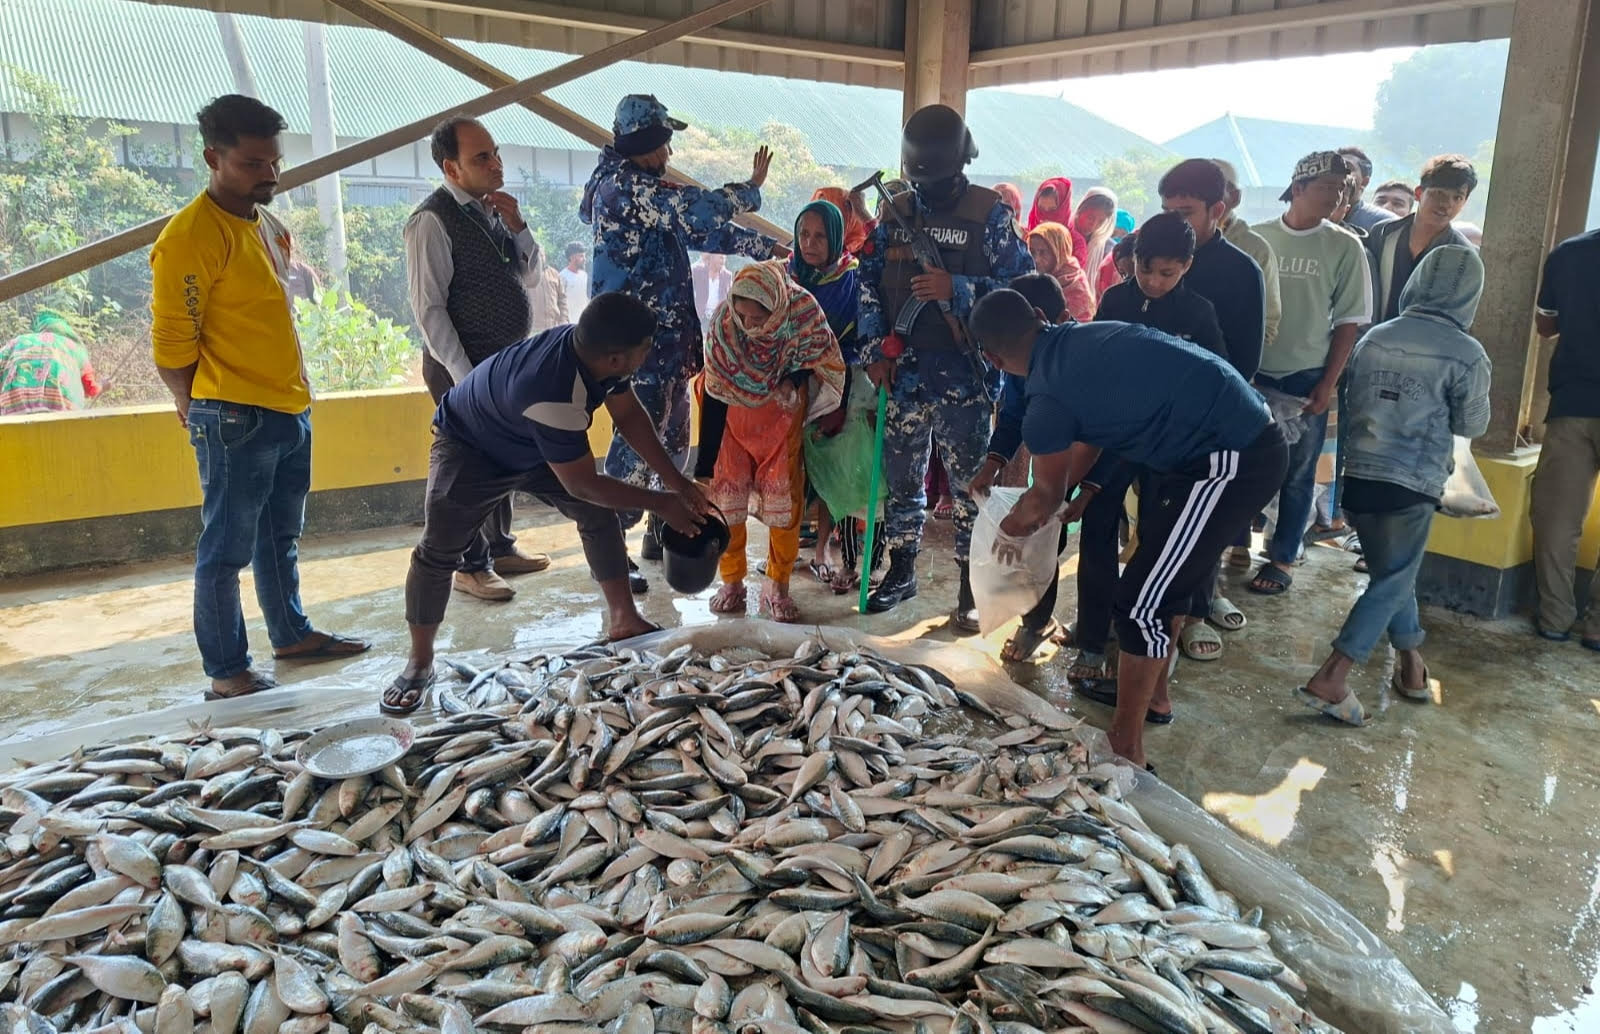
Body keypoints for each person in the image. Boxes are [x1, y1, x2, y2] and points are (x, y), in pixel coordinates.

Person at [969, 289, 1287, 769]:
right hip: (1220, 440)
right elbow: (1095, 431)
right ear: (1039, 314)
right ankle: (1154, 697)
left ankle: (1125, 750)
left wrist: (1008, 531)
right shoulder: (1081, 338)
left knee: (1141, 602)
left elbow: (1044, 496)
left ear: (992, 358)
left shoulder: (1046, 399)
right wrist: (1076, 493)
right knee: (1164, 578)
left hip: (1230, 456)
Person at [383, 294, 712, 713]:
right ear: (616, 357)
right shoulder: (553, 388)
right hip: (471, 444)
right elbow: (582, 484)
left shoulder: (597, 357)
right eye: (644, 348)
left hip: (530, 441)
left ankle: (624, 619)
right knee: (438, 551)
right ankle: (419, 661)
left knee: (598, 513)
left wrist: (676, 483)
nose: (649, 353)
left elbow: (628, 416)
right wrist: (661, 503)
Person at [150, 94, 369, 701]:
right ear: (212, 158)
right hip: (233, 414)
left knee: (281, 535)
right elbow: (172, 342)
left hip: (287, 407)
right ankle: (227, 673)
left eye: (273, 161)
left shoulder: (268, 222)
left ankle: (291, 634)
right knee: (226, 550)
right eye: (252, 164)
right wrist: (190, 405)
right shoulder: (189, 237)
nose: (269, 174)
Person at [581, 94, 779, 584]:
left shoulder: (644, 187)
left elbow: (704, 235)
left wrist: (767, 249)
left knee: (671, 440)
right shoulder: (622, 189)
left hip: (666, 344)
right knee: (635, 447)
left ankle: (659, 525)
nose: (668, 155)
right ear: (644, 143)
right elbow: (699, 211)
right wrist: (749, 191)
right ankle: (610, 547)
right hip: (633, 351)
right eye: (662, 144)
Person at [856, 103, 1034, 626]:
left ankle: (968, 583)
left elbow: (1022, 292)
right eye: (921, 181)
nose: (929, 190)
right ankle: (901, 567)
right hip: (902, 369)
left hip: (965, 373)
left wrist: (956, 289)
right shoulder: (896, 213)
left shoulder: (991, 216)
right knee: (901, 477)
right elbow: (866, 282)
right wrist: (873, 352)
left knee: (968, 484)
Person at [1298, 246, 1490, 723]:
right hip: (1413, 483)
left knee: (1392, 574)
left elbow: (1352, 393)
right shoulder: (1467, 352)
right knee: (1394, 578)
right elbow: (1474, 423)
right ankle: (1333, 674)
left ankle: (1411, 665)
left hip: (1359, 480)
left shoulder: (1374, 337)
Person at [405, 116, 551, 604]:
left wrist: (519, 226)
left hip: (501, 366)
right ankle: (469, 565)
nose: (495, 164)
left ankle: (501, 546)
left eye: (495, 153)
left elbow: (531, 277)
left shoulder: (492, 211)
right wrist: (467, 381)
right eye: (481, 157)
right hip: (461, 368)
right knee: (467, 462)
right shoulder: (432, 220)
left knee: (502, 450)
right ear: (450, 167)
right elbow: (430, 311)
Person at [1249, 152, 1374, 597]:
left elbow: (1349, 321)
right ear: (1298, 188)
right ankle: (1230, 545)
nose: (1339, 195)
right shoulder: (1257, 238)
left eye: (1344, 188)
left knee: (1299, 473)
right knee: (1240, 466)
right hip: (1252, 373)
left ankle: (1283, 556)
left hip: (1305, 375)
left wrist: (1328, 382)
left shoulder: (1344, 245)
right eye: (1328, 186)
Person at [694, 262, 846, 622]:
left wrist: (792, 380)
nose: (748, 326)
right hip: (730, 419)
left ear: (776, 309)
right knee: (725, 499)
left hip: (781, 415)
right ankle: (732, 581)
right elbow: (715, 397)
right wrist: (703, 469)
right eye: (741, 315)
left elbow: (816, 356)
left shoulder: (801, 311)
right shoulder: (723, 329)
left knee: (785, 506)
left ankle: (777, 584)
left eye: (757, 317)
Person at [972, 272, 1076, 663]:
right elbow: (1014, 413)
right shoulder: (1019, 354)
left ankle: (1099, 636)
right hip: (1053, 459)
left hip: (1100, 459)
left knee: (1096, 542)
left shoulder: (1072, 360)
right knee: (1045, 538)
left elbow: (1103, 439)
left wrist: (1089, 488)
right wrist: (992, 463)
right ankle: (1035, 621)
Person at [788, 198, 864, 590]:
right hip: (791, 386)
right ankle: (782, 554)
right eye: (803, 234)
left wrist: (837, 394)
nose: (809, 243)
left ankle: (823, 551)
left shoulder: (850, 281)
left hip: (835, 386)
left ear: (835, 237)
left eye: (819, 236)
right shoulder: (789, 274)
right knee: (789, 469)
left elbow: (854, 342)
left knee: (830, 469)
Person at [1532, 224, 1600, 648]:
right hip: (1574, 398)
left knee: (1558, 518)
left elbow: (1545, 324)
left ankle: (1555, 615)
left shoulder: (1570, 253)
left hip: (1573, 401)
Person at [1096, 213, 1226, 358]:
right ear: (1134, 257)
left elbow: (1216, 367)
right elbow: (1095, 348)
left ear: (1187, 265)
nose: (1153, 282)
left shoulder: (1198, 313)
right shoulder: (1113, 299)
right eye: (1145, 270)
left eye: (1166, 274)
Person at [1367, 156, 1478, 323]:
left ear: (1464, 202)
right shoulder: (1383, 233)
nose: (1446, 204)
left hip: (1428, 345)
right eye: (1439, 193)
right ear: (1419, 193)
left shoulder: (1463, 254)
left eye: (1457, 197)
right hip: (1372, 340)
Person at [1212, 158, 1282, 351]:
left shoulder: (1254, 250)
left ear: (1235, 197)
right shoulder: (1173, 239)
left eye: (1212, 189)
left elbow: (1267, 327)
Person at [0, 310, 101, 415]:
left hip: (13, 411)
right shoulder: (74, 348)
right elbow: (91, 388)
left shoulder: (18, 342)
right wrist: (103, 386)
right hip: (62, 413)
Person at [1026, 223, 1095, 323]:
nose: (1036, 259)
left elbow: (1080, 329)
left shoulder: (1075, 285)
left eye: (1043, 252)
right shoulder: (1034, 276)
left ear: (1059, 252)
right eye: (1032, 251)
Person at [1026, 177, 1091, 263]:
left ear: (1064, 210)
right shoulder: (1024, 236)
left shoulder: (1076, 244)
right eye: (1041, 209)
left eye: (1052, 210)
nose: (1045, 216)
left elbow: (1072, 274)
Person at [1335, 146, 1396, 232]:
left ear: (1364, 182)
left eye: (1347, 168)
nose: (1337, 173)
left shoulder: (1386, 224)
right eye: (1334, 168)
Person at [1074, 187, 1120, 290]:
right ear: (1080, 210)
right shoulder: (1062, 237)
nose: (1093, 225)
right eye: (1090, 217)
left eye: (1101, 221)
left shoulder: (1107, 249)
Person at [809, 186, 876, 257]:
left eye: (827, 214)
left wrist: (863, 213)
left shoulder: (852, 262)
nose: (816, 220)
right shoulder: (803, 250)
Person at [693, 253, 733, 324]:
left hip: (717, 318)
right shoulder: (697, 271)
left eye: (724, 257)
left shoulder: (727, 276)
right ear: (711, 256)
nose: (723, 258)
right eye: (720, 256)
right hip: (699, 316)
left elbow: (730, 298)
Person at [560, 242, 590, 314]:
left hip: (583, 320)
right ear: (572, 257)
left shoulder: (584, 275)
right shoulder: (562, 276)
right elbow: (560, 301)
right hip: (569, 321)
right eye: (581, 256)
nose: (584, 259)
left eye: (584, 256)